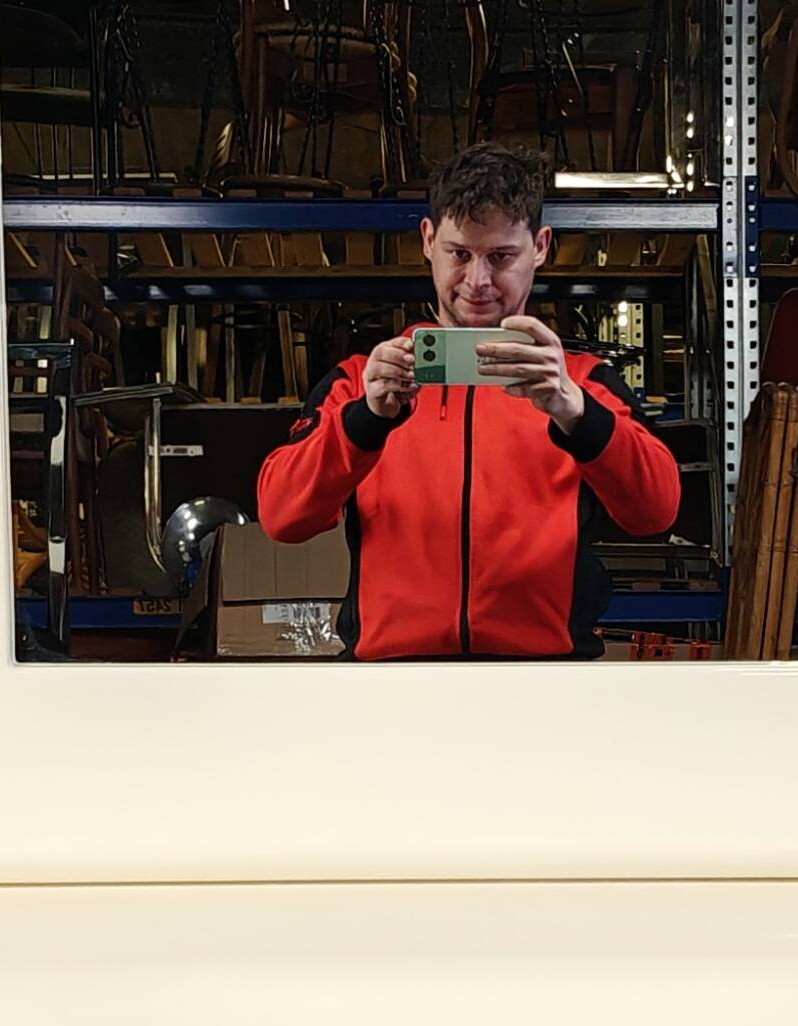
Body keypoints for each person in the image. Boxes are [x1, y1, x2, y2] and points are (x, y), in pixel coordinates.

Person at [253, 142, 683, 657]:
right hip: (394, 685)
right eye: (460, 254)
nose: (477, 282)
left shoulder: (584, 383)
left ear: (540, 246)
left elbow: (656, 511)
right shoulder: (360, 382)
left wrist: (576, 413)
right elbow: (281, 518)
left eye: (501, 256)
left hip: (546, 684)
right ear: (428, 240)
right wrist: (366, 420)